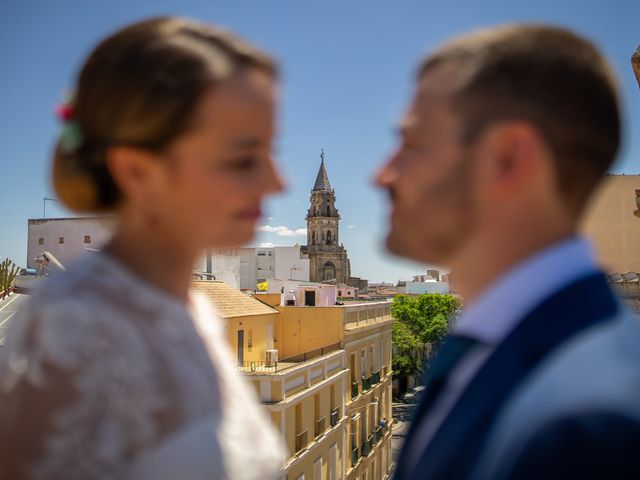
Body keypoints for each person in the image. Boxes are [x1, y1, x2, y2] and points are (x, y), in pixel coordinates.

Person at [0, 17, 286, 480]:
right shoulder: (72, 329)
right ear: (137, 171)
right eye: (244, 158)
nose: (276, 181)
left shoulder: (192, 311)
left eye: (273, 151)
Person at [376, 24, 640, 479]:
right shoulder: (485, 351)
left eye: (413, 142)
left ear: (509, 156)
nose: (385, 174)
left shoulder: (585, 423)